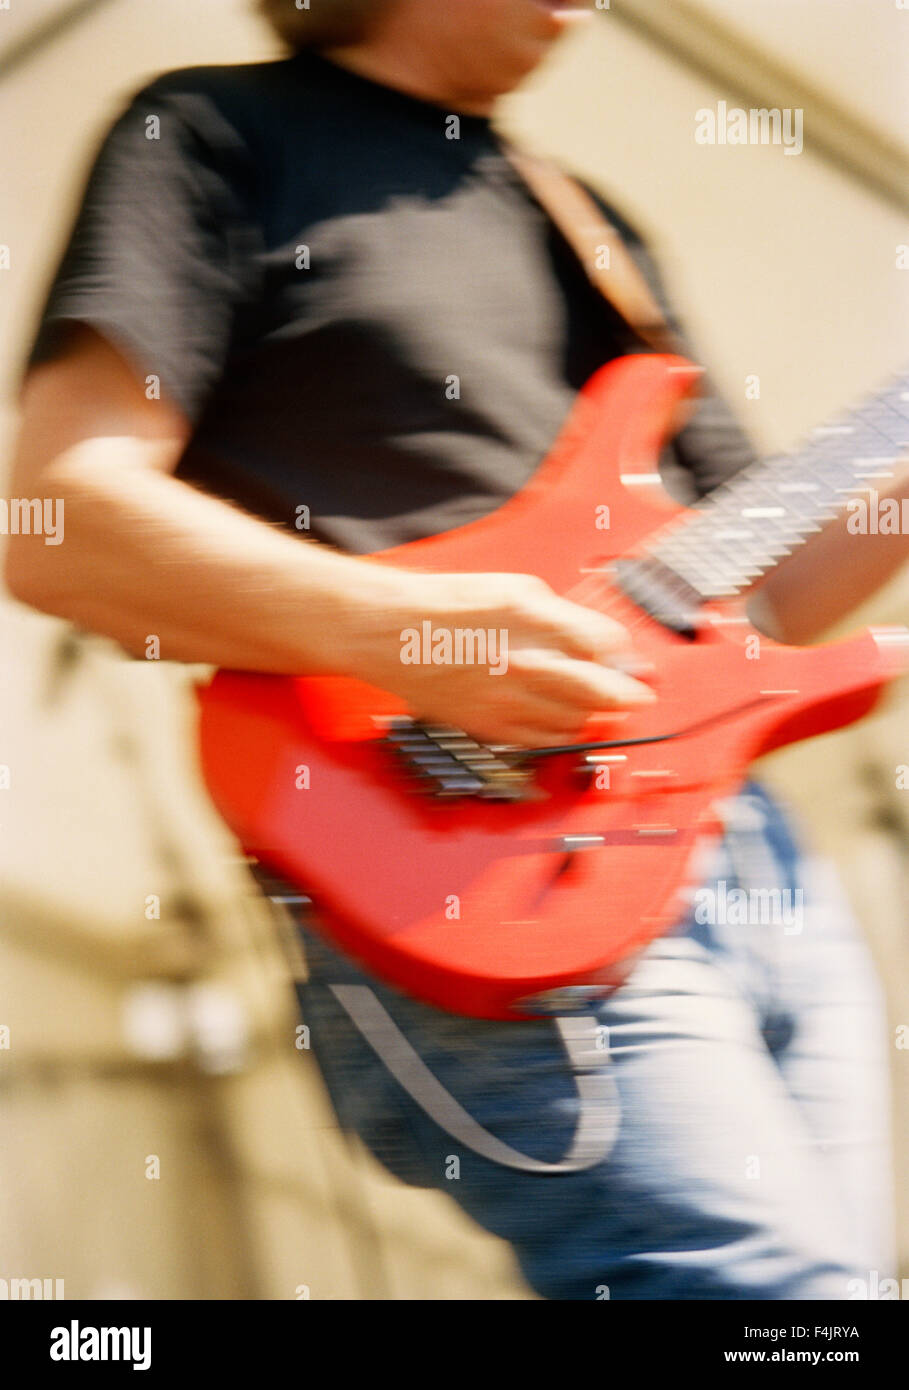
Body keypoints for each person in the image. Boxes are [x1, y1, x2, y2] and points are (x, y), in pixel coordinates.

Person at [7, 0, 907, 1299]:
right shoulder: (212, 132)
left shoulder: (590, 220)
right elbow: (60, 523)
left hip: (740, 853)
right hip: (471, 856)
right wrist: (418, 638)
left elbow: (766, 600)